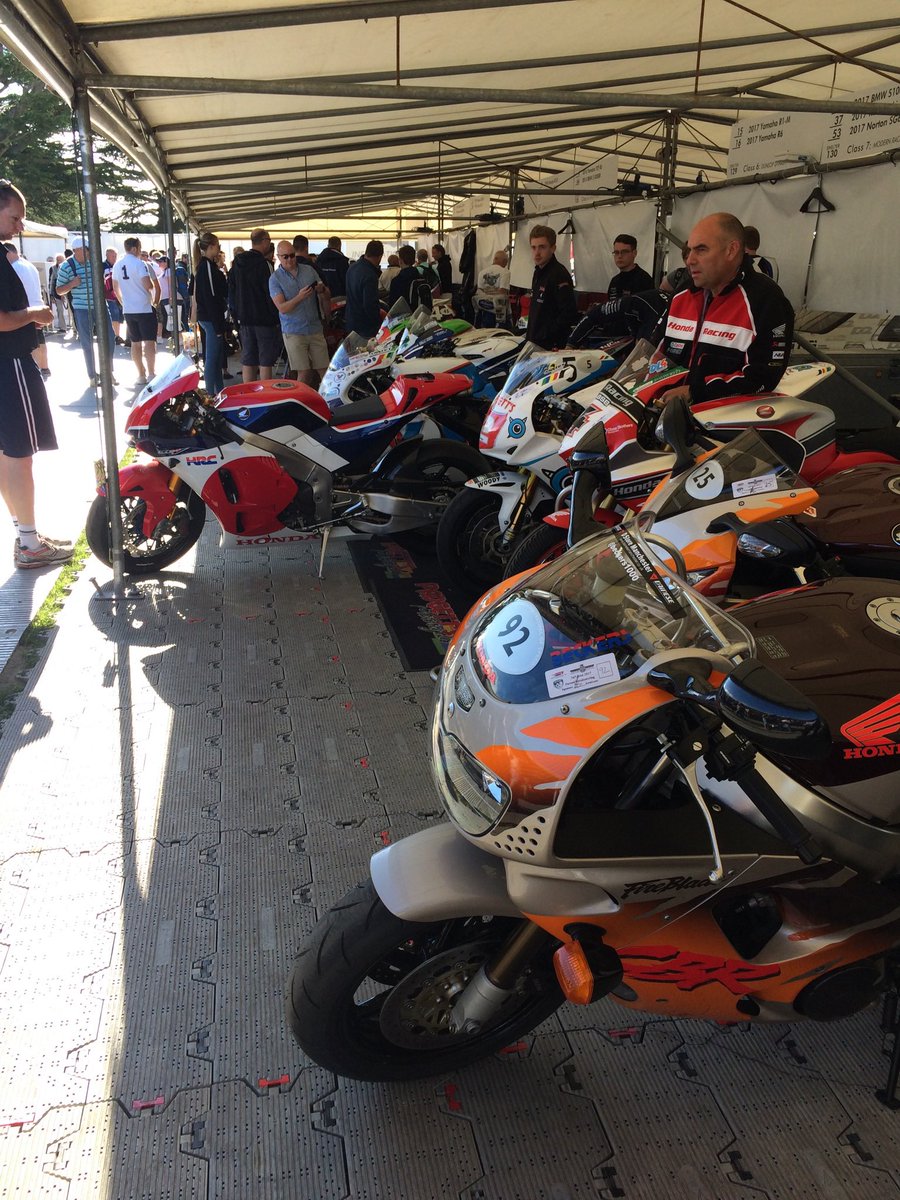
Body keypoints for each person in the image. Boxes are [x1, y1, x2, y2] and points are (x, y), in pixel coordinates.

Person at [0, 181, 72, 568]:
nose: (20, 226)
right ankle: (29, 543)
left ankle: (26, 536)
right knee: (19, 454)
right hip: (9, 364)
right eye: (15, 217)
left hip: (8, 363)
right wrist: (36, 314)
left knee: (7, 454)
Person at [656, 211, 794, 407]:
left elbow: (764, 377)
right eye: (690, 250)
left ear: (731, 250)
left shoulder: (766, 299)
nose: (690, 260)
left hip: (725, 420)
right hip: (665, 414)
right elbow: (653, 351)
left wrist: (694, 392)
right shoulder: (682, 294)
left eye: (701, 250)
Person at [54, 235, 116, 387]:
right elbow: (59, 290)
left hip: (101, 306)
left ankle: (108, 372)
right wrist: (72, 284)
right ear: (76, 250)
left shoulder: (94, 262)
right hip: (82, 309)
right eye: (86, 249)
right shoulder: (66, 266)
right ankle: (92, 375)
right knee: (87, 343)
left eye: (88, 249)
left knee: (110, 338)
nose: (88, 252)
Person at [269, 239, 330, 387]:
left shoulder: (309, 270)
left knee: (325, 371)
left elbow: (326, 293)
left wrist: (322, 290)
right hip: (294, 331)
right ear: (278, 257)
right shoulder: (275, 279)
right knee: (304, 373)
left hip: (314, 328)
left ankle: (329, 399)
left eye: (292, 255)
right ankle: (300, 400)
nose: (290, 259)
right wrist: (300, 297)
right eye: (285, 257)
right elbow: (282, 308)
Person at [228, 228, 281, 383]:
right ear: (264, 241)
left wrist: (236, 314)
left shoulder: (237, 263)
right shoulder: (265, 264)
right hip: (264, 319)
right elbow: (271, 292)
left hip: (244, 318)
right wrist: (275, 317)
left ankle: (249, 393)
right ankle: (265, 394)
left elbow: (231, 290)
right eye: (269, 240)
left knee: (248, 359)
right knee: (265, 361)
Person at [112, 236, 160, 386]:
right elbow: (148, 285)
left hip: (129, 309)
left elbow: (115, 287)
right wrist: (151, 288)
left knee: (135, 343)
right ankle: (151, 373)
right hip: (144, 307)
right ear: (134, 248)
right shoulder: (140, 264)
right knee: (149, 342)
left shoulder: (117, 265)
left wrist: (123, 302)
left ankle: (141, 374)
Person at [524, 224, 577, 350]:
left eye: (542, 247)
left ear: (553, 248)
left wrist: (547, 335)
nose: (537, 253)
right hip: (535, 342)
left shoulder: (559, 274)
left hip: (551, 346)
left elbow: (568, 313)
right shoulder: (538, 272)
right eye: (534, 247)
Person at [189, 231, 228, 395]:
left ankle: (219, 392)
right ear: (211, 247)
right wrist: (218, 325)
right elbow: (210, 297)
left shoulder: (206, 266)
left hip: (209, 318)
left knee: (216, 358)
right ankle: (210, 394)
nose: (219, 249)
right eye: (218, 246)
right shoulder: (207, 267)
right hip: (211, 319)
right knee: (212, 359)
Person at [3, 243, 50, 380]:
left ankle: (36, 372)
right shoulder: (29, 265)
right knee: (40, 341)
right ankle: (44, 368)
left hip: (26, 310)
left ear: (9, 253)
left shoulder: (14, 268)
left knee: (31, 345)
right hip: (37, 307)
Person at [344, 240, 384, 338]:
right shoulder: (370, 275)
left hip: (351, 321)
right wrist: (379, 322)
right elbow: (370, 304)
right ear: (380, 256)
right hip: (365, 326)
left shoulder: (352, 268)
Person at [608, 234, 654, 299]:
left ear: (634, 253)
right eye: (616, 252)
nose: (619, 256)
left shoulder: (644, 281)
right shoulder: (614, 281)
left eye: (624, 252)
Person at [389, 244, 432, 310]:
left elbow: (393, 306)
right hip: (421, 314)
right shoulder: (421, 277)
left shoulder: (397, 281)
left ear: (400, 260)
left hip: (405, 315)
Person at [474, 250, 510, 327]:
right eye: (506, 262)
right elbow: (502, 292)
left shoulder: (482, 272)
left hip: (485, 308)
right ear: (504, 261)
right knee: (498, 332)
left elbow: (480, 291)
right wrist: (495, 291)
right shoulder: (505, 272)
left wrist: (487, 293)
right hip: (499, 310)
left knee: (486, 330)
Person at [102, 248, 124, 346]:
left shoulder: (118, 266)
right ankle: (116, 336)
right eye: (112, 256)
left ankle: (117, 335)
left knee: (119, 316)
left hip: (119, 295)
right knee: (114, 315)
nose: (114, 258)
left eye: (115, 256)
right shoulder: (102, 266)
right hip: (109, 296)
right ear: (107, 256)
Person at [48, 254, 68, 334]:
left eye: (61, 260)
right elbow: (51, 282)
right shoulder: (53, 268)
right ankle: (63, 327)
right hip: (57, 291)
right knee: (59, 310)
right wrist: (51, 294)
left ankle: (75, 328)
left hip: (68, 290)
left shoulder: (67, 267)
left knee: (72, 310)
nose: (59, 262)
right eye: (58, 260)